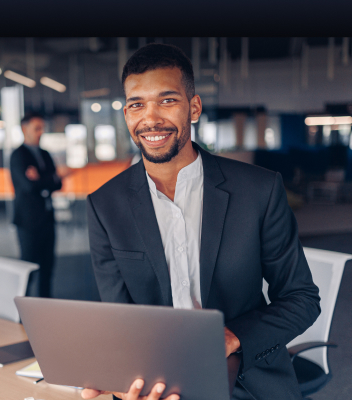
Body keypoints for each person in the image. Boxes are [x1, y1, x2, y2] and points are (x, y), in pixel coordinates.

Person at [84, 44, 321, 400]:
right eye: (137, 104)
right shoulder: (105, 204)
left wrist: (232, 337)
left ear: (193, 107)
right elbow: (121, 318)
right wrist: (124, 377)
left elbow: (301, 298)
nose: (150, 119)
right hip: (155, 384)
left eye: (167, 101)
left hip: (244, 377)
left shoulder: (258, 189)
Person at [10, 113, 70, 298]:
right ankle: (22, 312)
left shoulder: (45, 154)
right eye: (36, 128)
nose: (40, 132)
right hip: (28, 221)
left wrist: (43, 179)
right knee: (28, 268)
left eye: (42, 128)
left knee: (47, 268)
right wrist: (50, 179)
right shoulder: (18, 155)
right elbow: (29, 186)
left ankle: (45, 308)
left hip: (47, 219)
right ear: (24, 129)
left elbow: (58, 184)